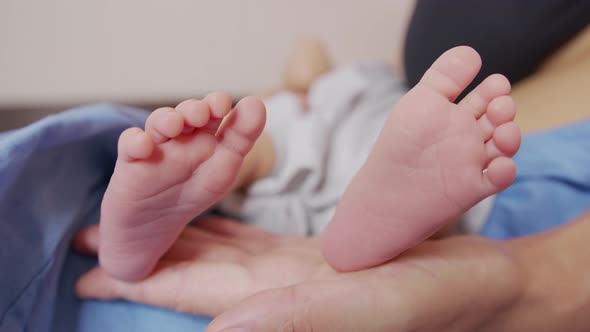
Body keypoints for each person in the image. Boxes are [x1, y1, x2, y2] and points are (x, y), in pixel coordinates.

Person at [98, 46, 521, 281]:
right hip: (368, 164)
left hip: (283, 196)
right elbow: (312, 57)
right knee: (256, 139)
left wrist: (299, 80)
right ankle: (391, 237)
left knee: (254, 148)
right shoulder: (380, 94)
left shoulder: (319, 92)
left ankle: (205, 174)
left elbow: (307, 53)